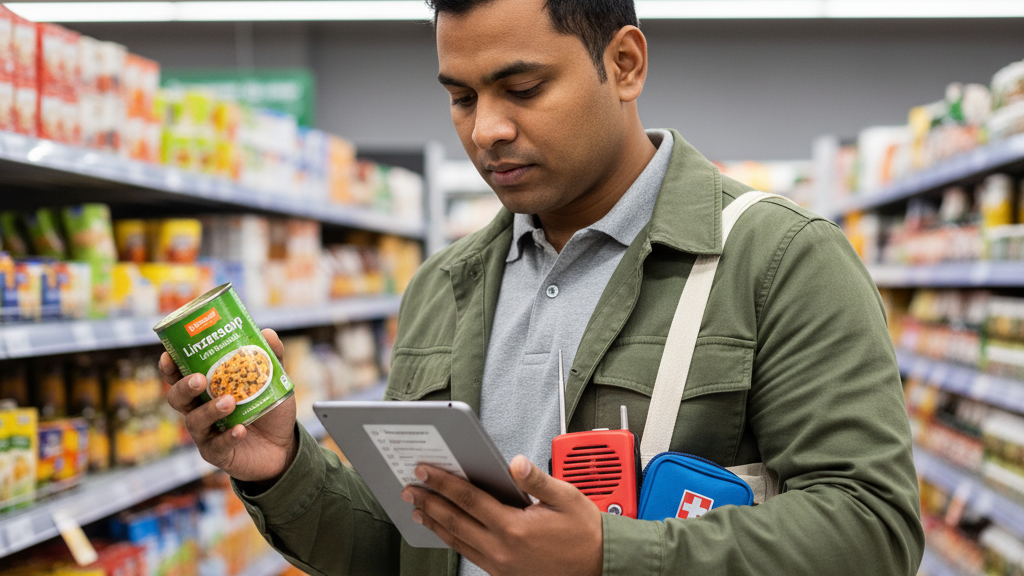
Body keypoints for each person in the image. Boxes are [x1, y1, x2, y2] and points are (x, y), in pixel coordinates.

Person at [161, 0, 925, 574]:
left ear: (624, 64)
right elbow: (406, 548)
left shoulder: (781, 259)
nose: (485, 129)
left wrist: (607, 554)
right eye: (461, 98)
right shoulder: (442, 287)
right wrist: (281, 464)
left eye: (521, 88)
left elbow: (872, 529)